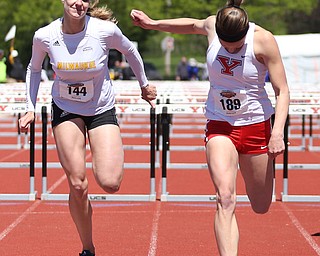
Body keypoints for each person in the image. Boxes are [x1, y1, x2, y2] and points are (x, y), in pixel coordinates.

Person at [131, 1, 289, 255]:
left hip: (255, 125)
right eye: (225, 46)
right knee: (224, 197)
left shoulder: (264, 41)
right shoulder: (213, 26)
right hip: (219, 124)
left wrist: (277, 132)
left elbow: (282, 91)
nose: (228, 49)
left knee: (261, 205)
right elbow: (191, 25)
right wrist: (153, 24)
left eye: (235, 47)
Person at [19, 1, 157, 256]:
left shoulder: (104, 31)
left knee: (110, 181)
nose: (78, 3)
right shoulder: (45, 36)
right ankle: (88, 248)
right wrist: (30, 107)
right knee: (78, 184)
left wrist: (144, 85)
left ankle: (103, 150)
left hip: (100, 108)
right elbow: (34, 69)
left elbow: (130, 52)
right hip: (65, 108)